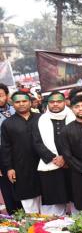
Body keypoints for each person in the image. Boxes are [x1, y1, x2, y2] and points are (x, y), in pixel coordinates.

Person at [33, 91, 75, 215]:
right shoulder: (40, 119)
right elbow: (37, 142)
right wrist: (53, 158)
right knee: (55, 202)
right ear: (48, 103)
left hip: (72, 165)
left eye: (59, 101)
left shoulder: (74, 117)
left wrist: (66, 159)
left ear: (65, 102)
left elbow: (78, 141)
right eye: (52, 102)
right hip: (51, 165)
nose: (55, 104)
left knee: (76, 198)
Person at [1, 91, 41, 213]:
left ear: (30, 102)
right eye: (17, 102)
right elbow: (6, 147)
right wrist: (9, 168)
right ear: (13, 103)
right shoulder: (7, 123)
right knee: (29, 204)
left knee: (48, 201)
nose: (21, 104)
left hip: (43, 164)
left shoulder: (41, 118)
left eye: (24, 101)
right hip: (21, 167)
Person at [0, 84, 22, 214]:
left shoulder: (16, 110)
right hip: (2, 155)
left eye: (1, 95)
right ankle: (15, 218)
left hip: (20, 153)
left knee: (23, 184)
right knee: (7, 187)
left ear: (7, 96)